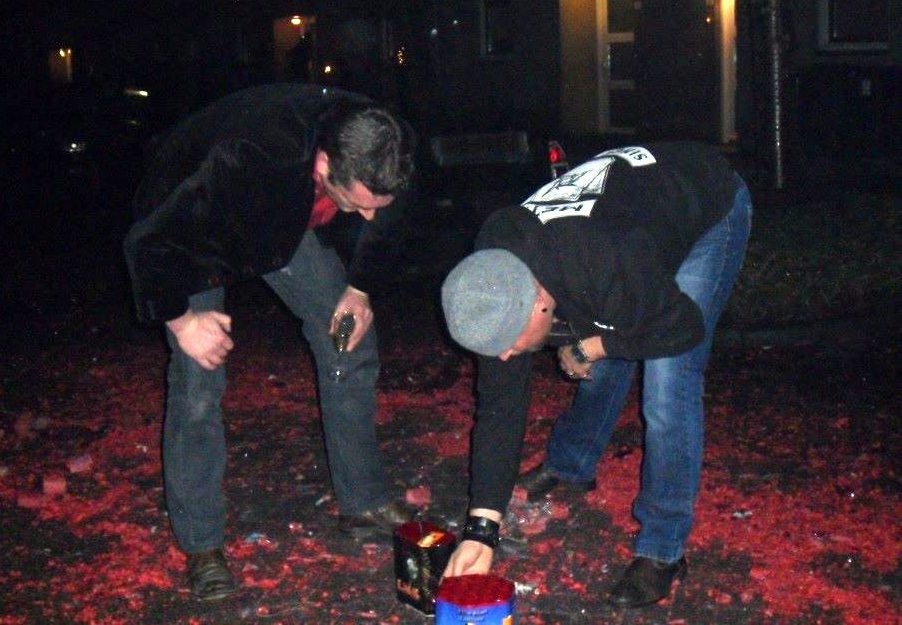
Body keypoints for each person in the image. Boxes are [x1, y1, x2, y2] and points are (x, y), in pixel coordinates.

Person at [123, 84, 417, 601]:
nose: (368, 216)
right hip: (192, 232)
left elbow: (387, 213)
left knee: (346, 337)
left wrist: (359, 290)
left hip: (281, 220)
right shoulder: (246, 160)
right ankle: (202, 543)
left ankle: (364, 499)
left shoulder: (384, 146)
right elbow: (147, 244)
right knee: (199, 375)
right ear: (325, 165)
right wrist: (184, 322)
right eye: (358, 204)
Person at [440, 142, 751, 608]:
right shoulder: (493, 280)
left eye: (510, 344)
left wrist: (594, 345)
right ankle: (572, 464)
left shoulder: (608, 265)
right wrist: (481, 531)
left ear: (540, 302)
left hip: (707, 204)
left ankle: (663, 548)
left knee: (668, 382)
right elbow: (500, 407)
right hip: (619, 229)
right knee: (610, 326)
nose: (503, 355)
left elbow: (682, 328)